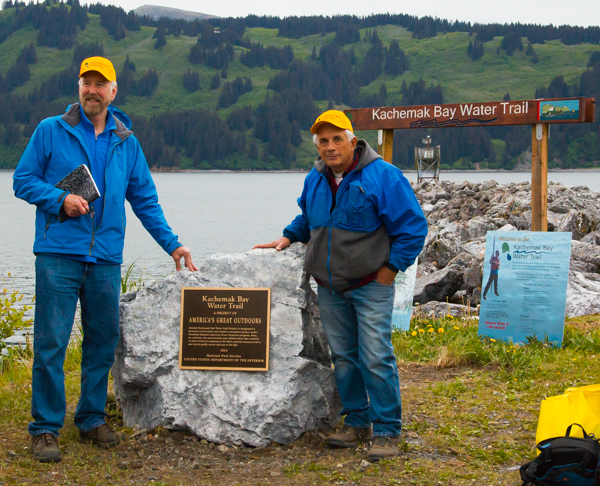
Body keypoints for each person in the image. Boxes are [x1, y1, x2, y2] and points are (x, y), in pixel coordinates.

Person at [13, 56, 198, 463]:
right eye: (87, 82)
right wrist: (60, 198)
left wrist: (173, 245)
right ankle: (45, 428)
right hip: (57, 254)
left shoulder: (127, 142)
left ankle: (91, 419)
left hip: (106, 259)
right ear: (78, 87)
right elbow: (22, 181)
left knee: (101, 342)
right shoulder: (50, 130)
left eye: (100, 84)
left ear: (113, 91)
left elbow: (145, 200)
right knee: (51, 344)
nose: (92, 90)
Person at [254, 110, 427, 461]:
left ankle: (387, 431)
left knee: (375, 356)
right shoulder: (315, 178)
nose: (330, 147)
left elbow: (413, 228)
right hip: (330, 287)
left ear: (352, 141)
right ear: (317, 146)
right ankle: (358, 422)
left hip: (371, 285)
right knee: (344, 359)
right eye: (323, 141)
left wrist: (391, 269)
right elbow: (310, 219)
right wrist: (289, 236)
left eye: (336, 139)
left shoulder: (384, 176)